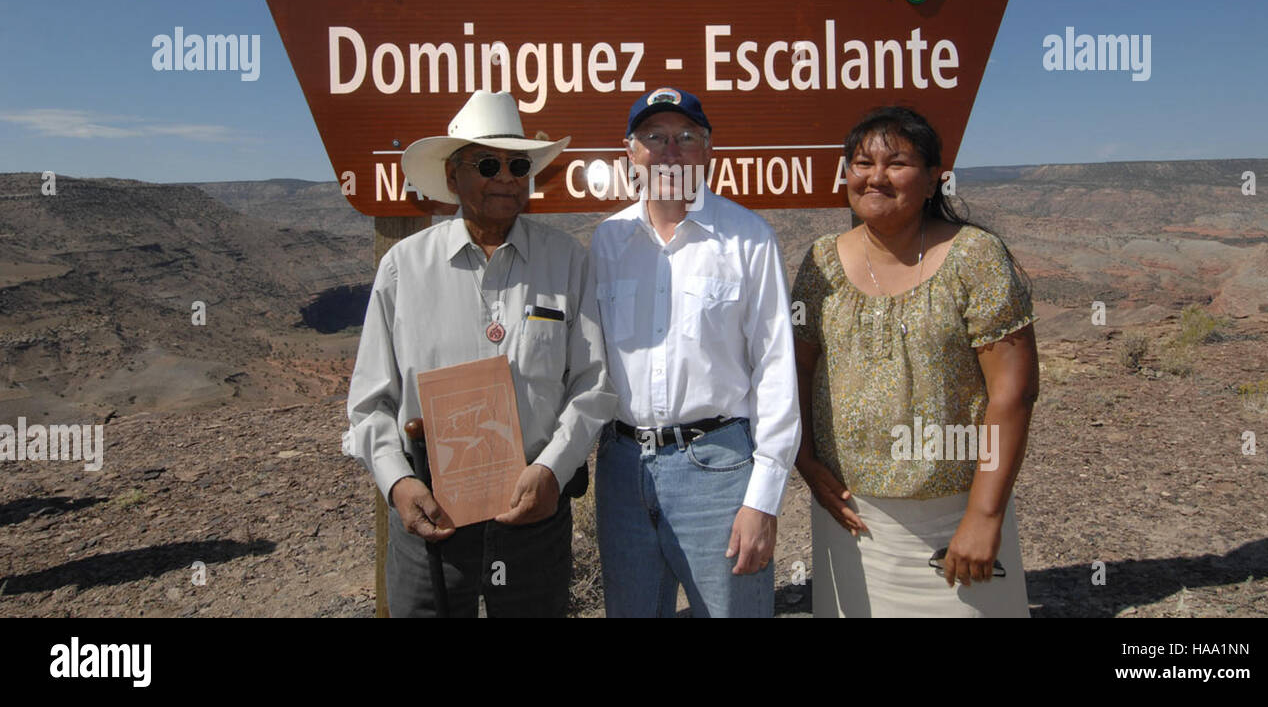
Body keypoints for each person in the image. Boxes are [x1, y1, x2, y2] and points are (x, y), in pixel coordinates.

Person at [346, 90, 616, 618]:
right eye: (488, 163)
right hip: (433, 517)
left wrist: (553, 471)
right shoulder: (404, 269)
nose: (507, 177)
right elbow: (369, 401)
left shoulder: (565, 261)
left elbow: (592, 383)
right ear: (452, 177)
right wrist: (398, 484)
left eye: (518, 164)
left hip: (535, 513)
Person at [791, 106, 1038, 617]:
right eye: (861, 162)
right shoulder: (819, 263)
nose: (875, 176)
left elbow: (1013, 392)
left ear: (932, 182)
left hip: (954, 515)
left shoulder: (975, 257)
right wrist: (806, 461)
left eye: (897, 163)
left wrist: (984, 515)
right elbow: (800, 369)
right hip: (850, 518)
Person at [590, 86, 800, 618]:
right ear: (629, 153)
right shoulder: (606, 242)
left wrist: (763, 499)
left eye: (686, 137)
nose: (670, 150)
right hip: (621, 469)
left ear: (708, 150)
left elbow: (776, 368)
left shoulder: (749, 239)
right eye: (653, 137)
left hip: (718, 469)